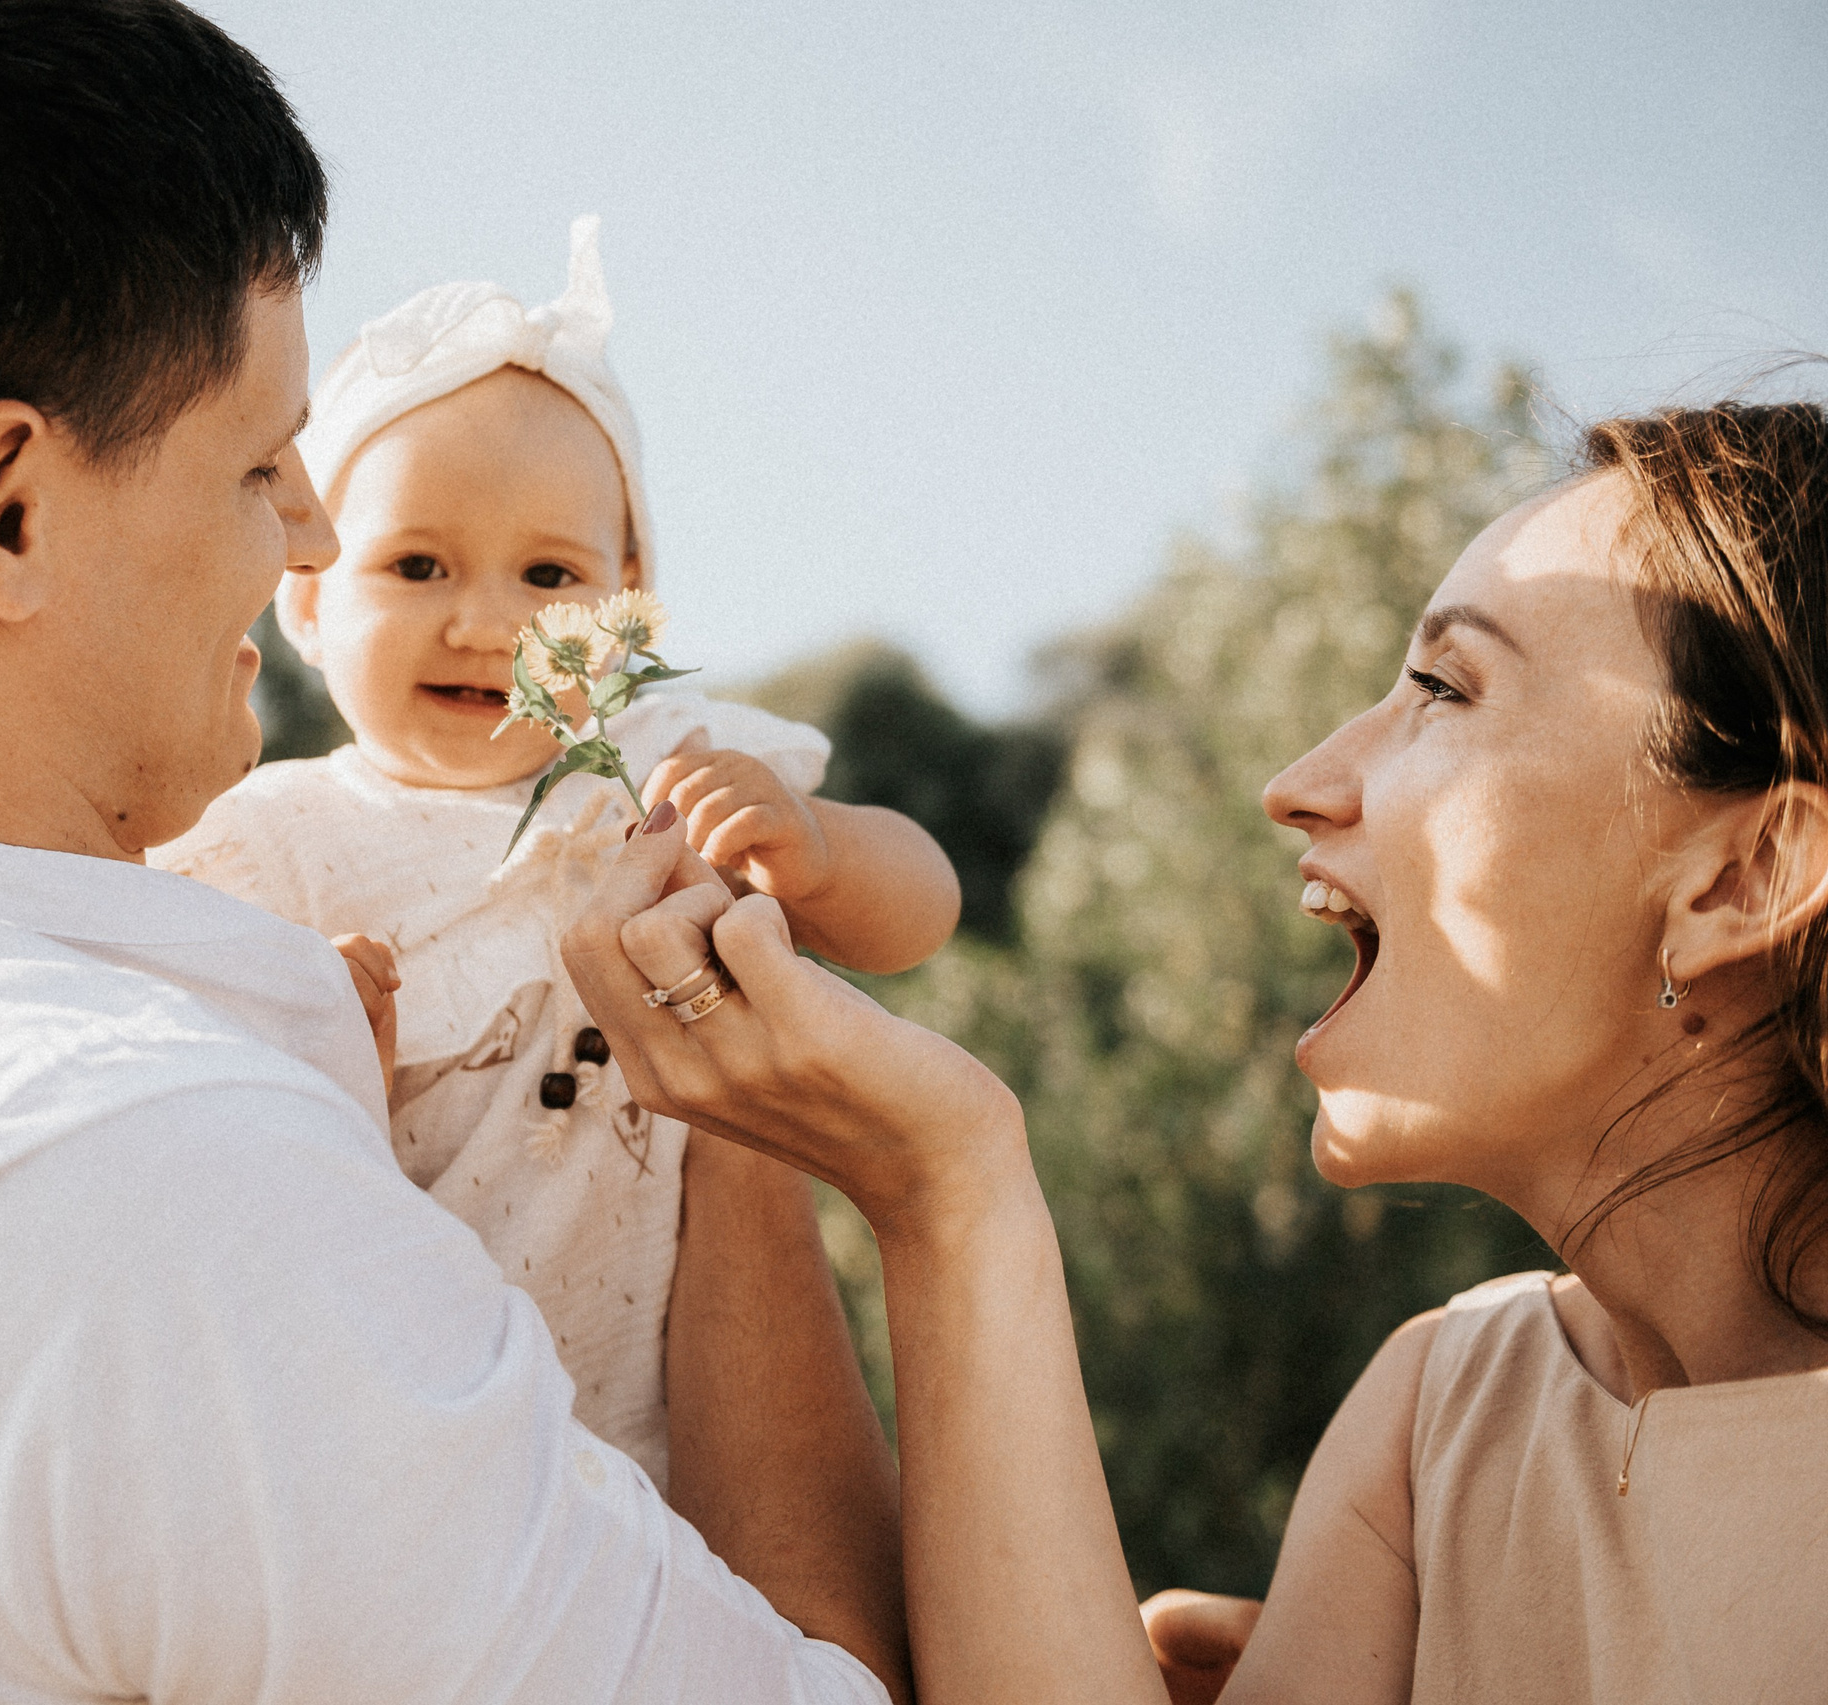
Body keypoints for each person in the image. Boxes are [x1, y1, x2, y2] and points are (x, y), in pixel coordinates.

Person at [0, 1, 909, 1698]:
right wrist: (769, 1151)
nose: (312, 529)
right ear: (4, 513)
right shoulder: (140, 1166)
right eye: (265, 461)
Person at [564, 395, 1828, 1703]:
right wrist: (946, 1188)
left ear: (1746, 876)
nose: (1298, 779)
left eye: (1445, 689)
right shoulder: (1445, 1403)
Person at [156, 217, 959, 1488]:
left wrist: (813, 849)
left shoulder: (665, 764)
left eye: (549, 573)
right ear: (308, 597)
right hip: (407, 1423)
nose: (484, 623)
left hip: (672, 1431)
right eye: (417, 565)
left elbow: (919, 910)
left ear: (630, 600)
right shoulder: (272, 838)